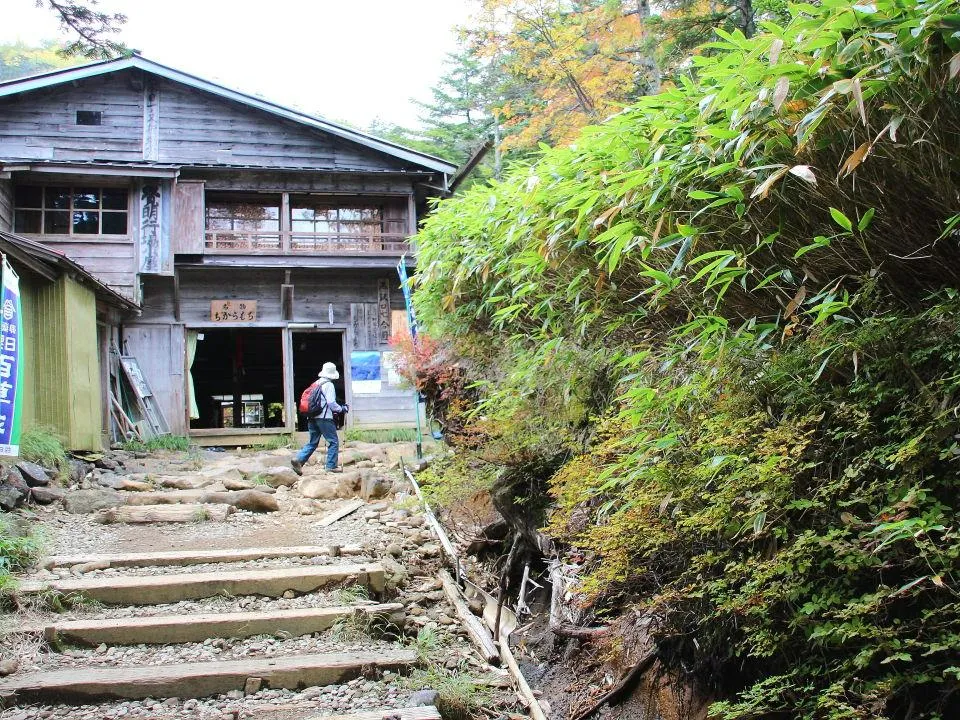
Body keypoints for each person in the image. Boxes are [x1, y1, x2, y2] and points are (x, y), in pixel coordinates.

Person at [291, 362, 345, 475]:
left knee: (313, 442)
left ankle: (299, 460)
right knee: (333, 441)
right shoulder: (329, 385)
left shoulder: (315, 383)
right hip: (324, 418)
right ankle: (331, 466)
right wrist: (341, 409)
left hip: (311, 417)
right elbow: (331, 403)